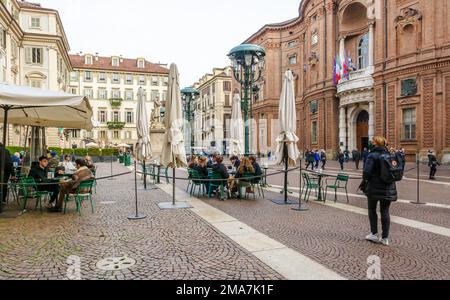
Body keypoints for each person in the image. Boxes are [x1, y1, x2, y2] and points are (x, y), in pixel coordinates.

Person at [363, 136, 398, 246]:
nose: (371, 143)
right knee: (385, 211)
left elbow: (366, 172)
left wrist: (367, 180)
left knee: (372, 209)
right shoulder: (390, 155)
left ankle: (373, 234)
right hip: (388, 187)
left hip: (374, 187)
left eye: (372, 142)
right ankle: (385, 238)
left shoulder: (372, 155)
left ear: (376, 144)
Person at [0, 143, 14, 209]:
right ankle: (3, 200)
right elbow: (9, 163)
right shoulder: (6, 151)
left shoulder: (5, 151)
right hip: (6, 172)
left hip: (4, 171)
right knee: (4, 185)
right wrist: (13, 174)